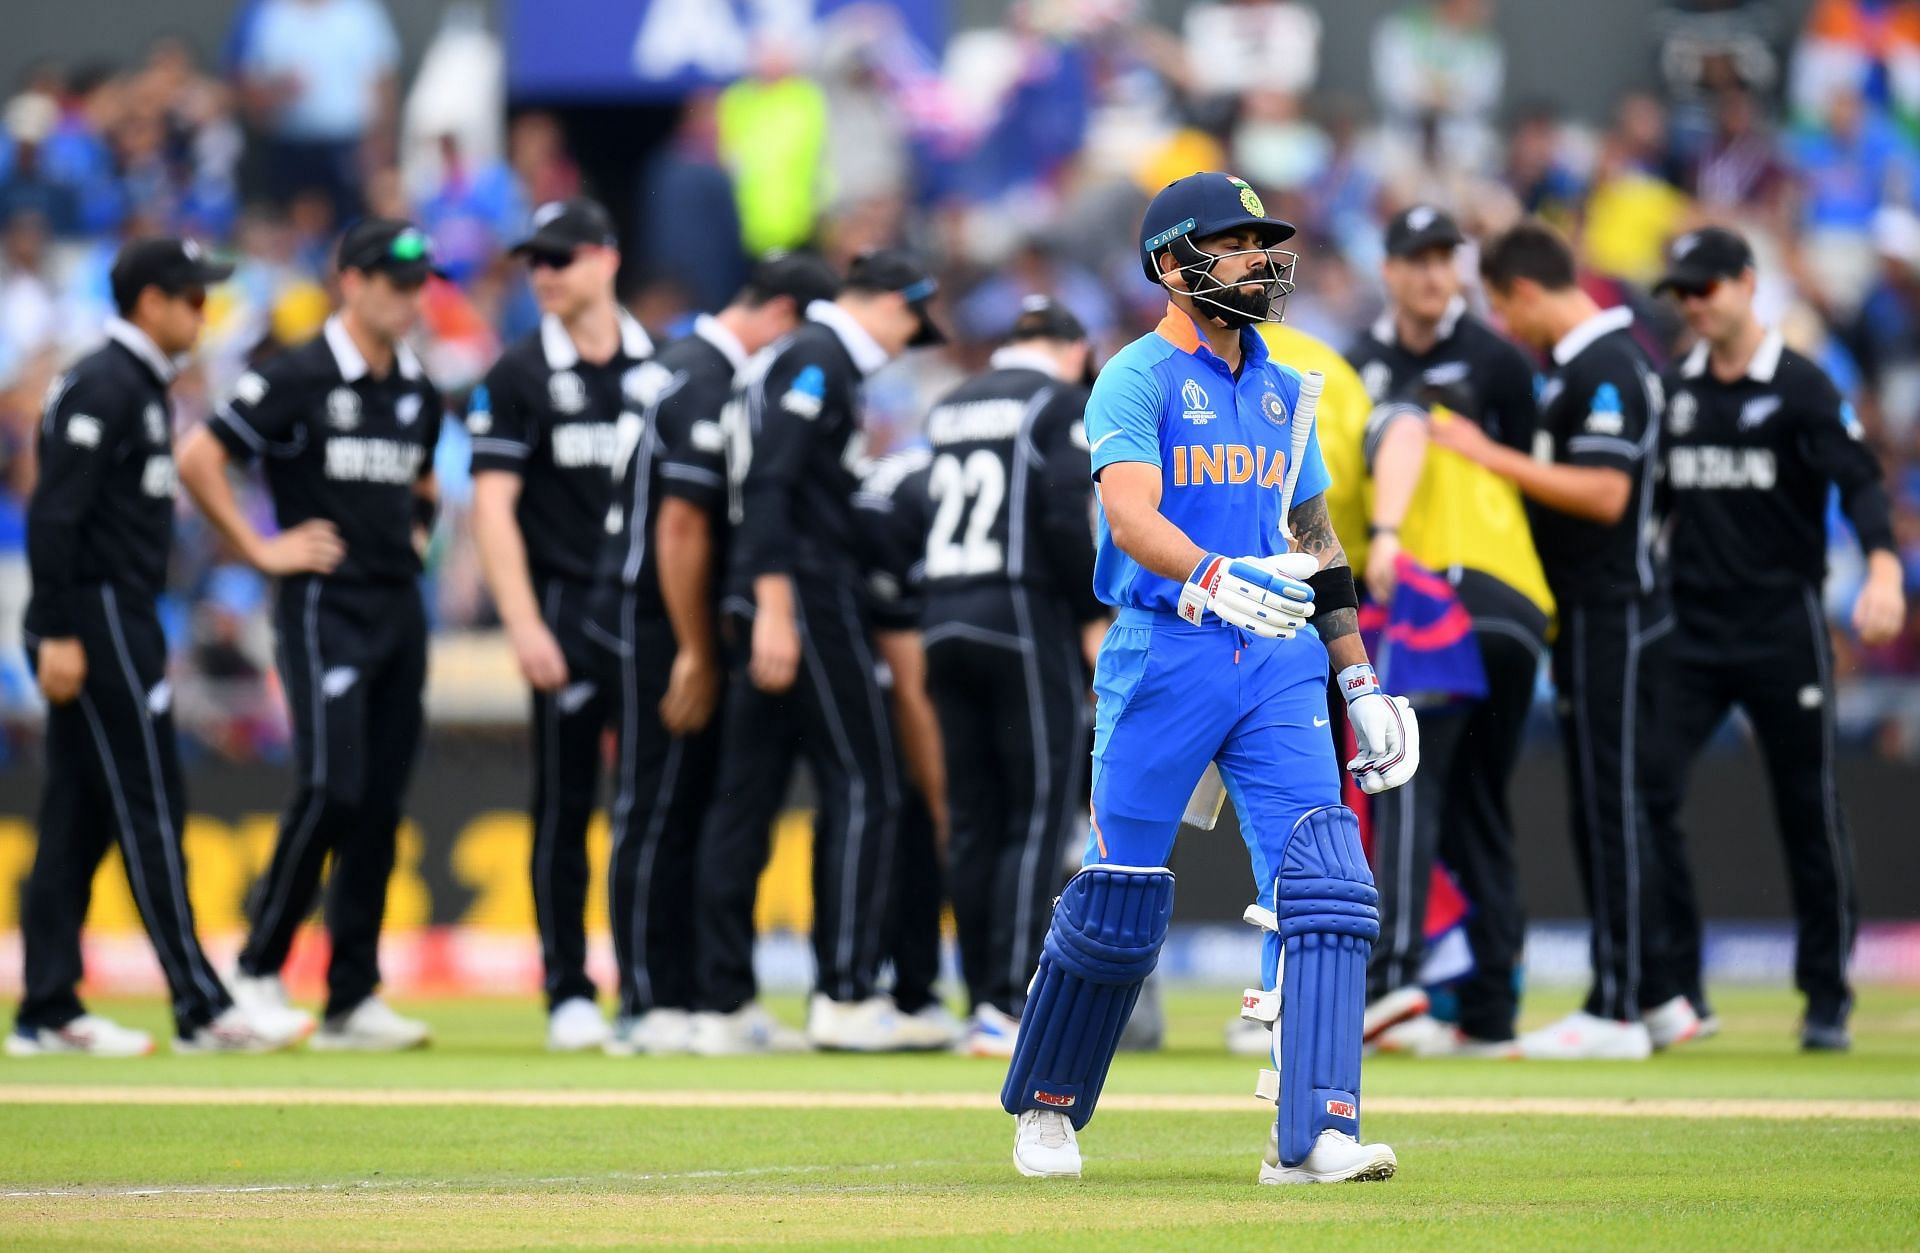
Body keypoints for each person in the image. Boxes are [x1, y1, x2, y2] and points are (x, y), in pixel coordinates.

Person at [1003, 172, 1418, 1185]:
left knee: (1326, 880)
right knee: (1122, 894)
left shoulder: (1286, 387)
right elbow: (1132, 518)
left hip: (1276, 657)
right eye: (1231, 244)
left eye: (1263, 241)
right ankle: (1050, 1106)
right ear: (1170, 265)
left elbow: (1313, 536)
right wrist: (1214, 577)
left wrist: (1357, 676)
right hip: (1166, 648)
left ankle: (1313, 1130)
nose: (1259, 260)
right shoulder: (1134, 376)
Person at [12, 239, 307, 1056]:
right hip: (99, 614)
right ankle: (199, 1004)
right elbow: (55, 515)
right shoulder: (103, 384)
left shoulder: (139, 387)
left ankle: (47, 1007)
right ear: (149, 302)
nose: (203, 313)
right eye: (190, 298)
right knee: (150, 805)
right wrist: (59, 628)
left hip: (126, 612)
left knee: (79, 811)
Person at [178, 218, 444, 1051]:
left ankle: (351, 994)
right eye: (393, 282)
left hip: (398, 607)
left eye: (416, 283)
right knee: (332, 783)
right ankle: (256, 968)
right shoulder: (297, 373)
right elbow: (199, 456)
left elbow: (426, 476)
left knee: (380, 801)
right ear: (350, 281)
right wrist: (259, 546)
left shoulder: (416, 387)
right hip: (321, 604)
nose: (408, 297)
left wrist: (419, 532)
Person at [1433, 219, 1690, 1060]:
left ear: (1528, 292)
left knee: (1608, 805)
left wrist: (1485, 454)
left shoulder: (1608, 365)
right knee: (1606, 805)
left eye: (1505, 310)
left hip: (1611, 610)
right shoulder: (1589, 367)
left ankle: (1616, 1003)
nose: (1507, 329)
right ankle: (1653, 993)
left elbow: (1606, 493)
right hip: (1591, 611)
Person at [1645, 227, 1906, 1052]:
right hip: (1689, 628)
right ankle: (1680, 989)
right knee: (1647, 795)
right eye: (1682, 292)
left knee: (1806, 808)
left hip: (1780, 628)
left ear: (1748, 284)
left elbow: (1862, 482)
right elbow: (1649, 506)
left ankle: (1826, 996)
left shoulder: (1799, 386)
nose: (1693, 303)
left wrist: (1885, 571)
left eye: (1707, 286)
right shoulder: (1672, 389)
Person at [689, 250, 951, 1054]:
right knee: (866, 781)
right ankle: (843, 992)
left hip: (783, 588)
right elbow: (770, 482)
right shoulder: (818, 357)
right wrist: (774, 601)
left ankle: (723, 1003)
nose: (910, 340)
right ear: (883, 302)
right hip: (801, 591)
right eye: (910, 319)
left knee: (749, 793)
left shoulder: (805, 359)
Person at [587, 252, 840, 1056]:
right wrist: (697, 646)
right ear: (785, 315)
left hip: (645, 603)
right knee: (659, 805)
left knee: (678, 805)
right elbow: (682, 524)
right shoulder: (704, 374)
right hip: (657, 613)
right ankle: (648, 998)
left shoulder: (668, 362)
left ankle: (690, 993)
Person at [1342, 206, 1553, 1057]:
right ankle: (1494, 1009)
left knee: (1407, 787)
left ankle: (1393, 980)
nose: (1435, 276)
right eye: (1418, 261)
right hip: (1494, 605)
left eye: (1445, 260)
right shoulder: (1364, 359)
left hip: (1445, 596)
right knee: (1475, 804)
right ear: (1390, 269)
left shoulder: (1498, 361)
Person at [466, 198, 654, 1053]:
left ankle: (651, 986)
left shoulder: (663, 367)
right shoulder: (515, 374)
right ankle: (567, 986)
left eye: (560, 258)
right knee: (564, 807)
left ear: (606, 259)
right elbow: (493, 510)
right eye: (534, 261)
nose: (543, 274)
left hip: (649, 616)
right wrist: (522, 621)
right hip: (566, 614)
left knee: (652, 808)